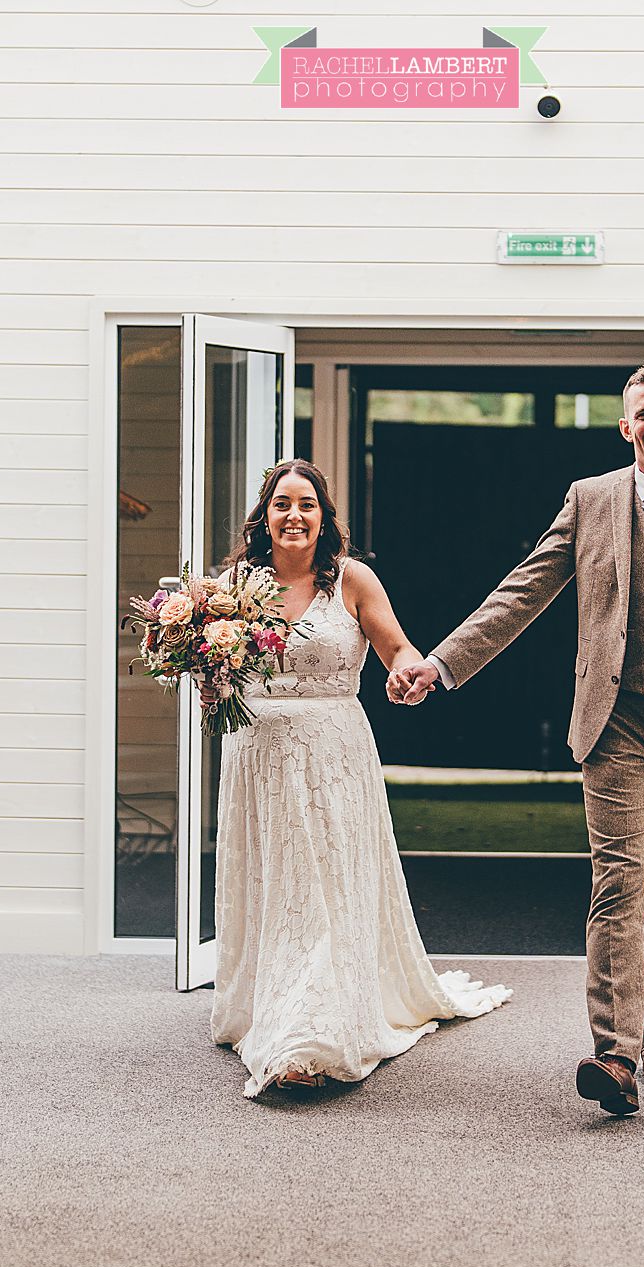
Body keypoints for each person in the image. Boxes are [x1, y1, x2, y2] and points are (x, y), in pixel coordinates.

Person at [390, 366, 644, 1117]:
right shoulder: (591, 500)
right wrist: (440, 664)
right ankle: (616, 1055)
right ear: (625, 427)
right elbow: (523, 590)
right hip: (619, 719)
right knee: (617, 881)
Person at [209, 459, 511, 1097]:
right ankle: (269, 1003)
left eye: (308, 505)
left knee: (325, 885)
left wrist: (407, 669)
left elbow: (396, 647)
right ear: (264, 517)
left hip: (331, 754)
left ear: (324, 518)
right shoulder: (234, 586)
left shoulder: (352, 580)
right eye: (283, 504)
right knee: (277, 883)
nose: (295, 516)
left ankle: (312, 1030)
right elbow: (215, 674)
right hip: (257, 755)